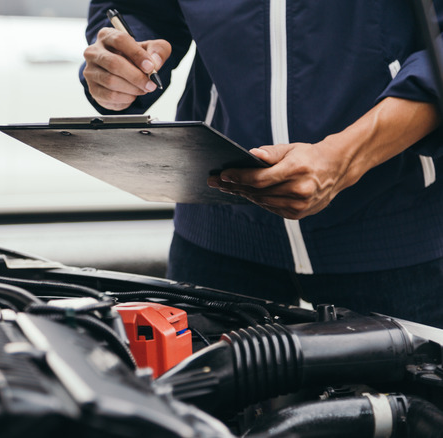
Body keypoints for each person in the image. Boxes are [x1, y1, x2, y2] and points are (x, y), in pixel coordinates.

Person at [79, 1, 443, 327]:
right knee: (196, 398)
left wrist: (346, 156)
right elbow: (138, 10)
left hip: (398, 231)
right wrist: (122, 62)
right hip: (219, 234)